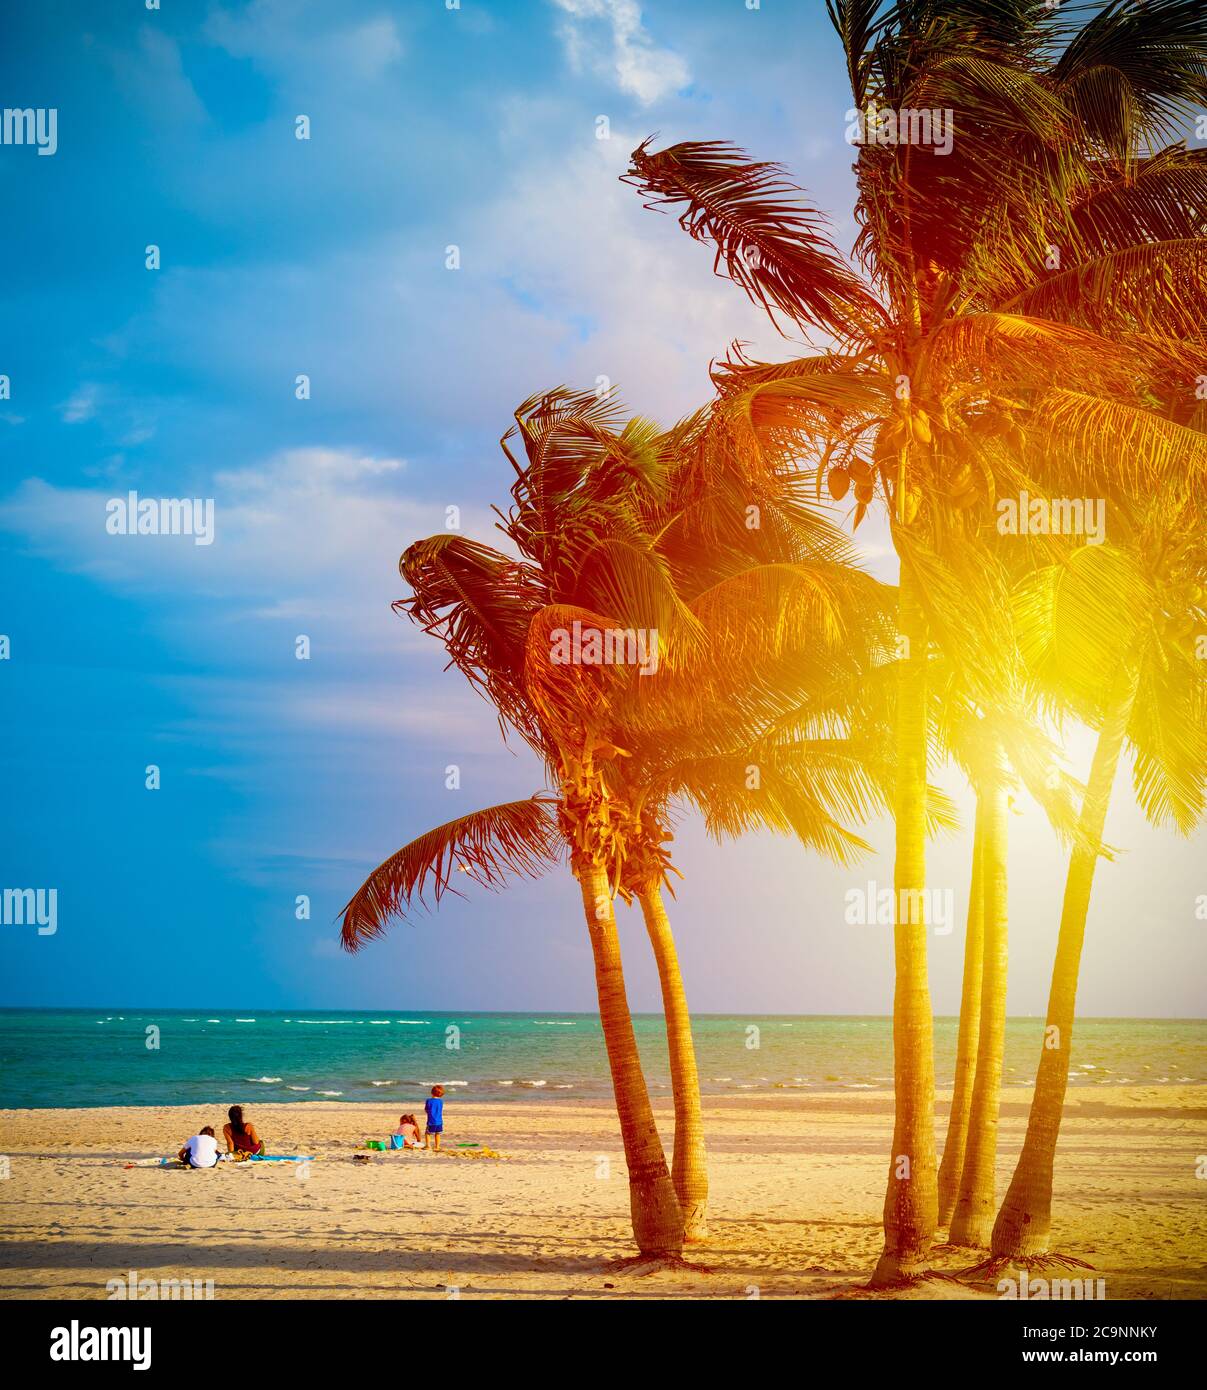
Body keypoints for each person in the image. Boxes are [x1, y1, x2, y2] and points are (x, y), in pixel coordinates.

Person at [424, 1086, 445, 1151]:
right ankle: (437, 1146)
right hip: (439, 1121)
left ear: (432, 1092)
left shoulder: (428, 1101)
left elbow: (426, 1110)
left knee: (427, 1133)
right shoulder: (441, 1101)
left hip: (431, 1121)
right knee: (438, 1134)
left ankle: (428, 1145)